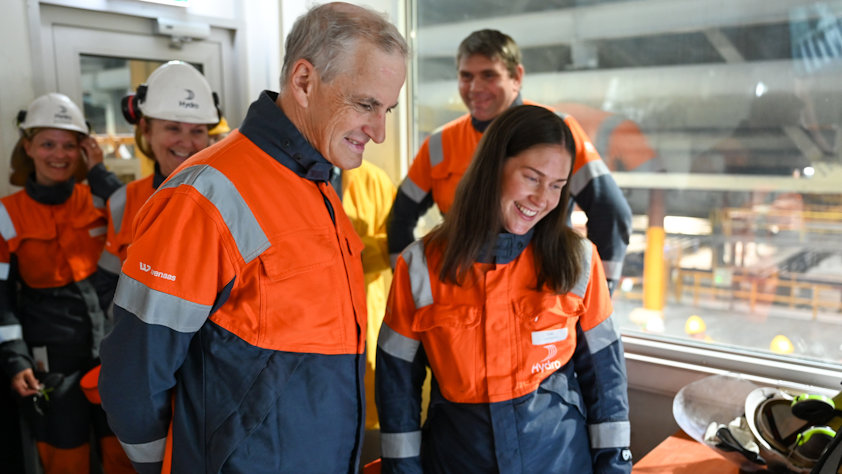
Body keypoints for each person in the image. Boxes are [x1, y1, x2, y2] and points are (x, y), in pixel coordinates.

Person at [97, 3, 408, 473]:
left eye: (387, 109)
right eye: (366, 105)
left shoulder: (319, 185)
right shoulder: (205, 195)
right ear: (304, 81)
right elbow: (133, 380)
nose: (380, 132)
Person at [376, 105, 631, 473]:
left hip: (560, 462)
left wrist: (615, 468)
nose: (543, 199)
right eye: (531, 178)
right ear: (493, 168)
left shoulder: (580, 259)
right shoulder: (419, 266)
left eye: (557, 186)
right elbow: (396, 388)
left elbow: (607, 383)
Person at [388, 29, 632, 293]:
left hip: (540, 292)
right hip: (460, 293)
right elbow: (400, 218)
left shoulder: (558, 133)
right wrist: (414, 286)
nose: (475, 88)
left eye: (489, 75)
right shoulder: (439, 144)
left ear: (517, 77)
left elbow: (610, 211)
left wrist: (598, 290)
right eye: (466, 76)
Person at [0, 93, 133, 473]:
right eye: (47, 144)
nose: (59, 155)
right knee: (65, 460)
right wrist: (15, 358)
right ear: (28, 147)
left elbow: (139, 219)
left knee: (125, 456)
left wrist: (100, 172)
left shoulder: (99, 201)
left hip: (112, 356)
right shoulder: (6, 215)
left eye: (70, 145)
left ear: (84, 149)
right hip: (52, 366)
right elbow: (1, 298)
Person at [96, 60, 220, 302]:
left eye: (197, 131)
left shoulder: (230, 199)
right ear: (146, 129)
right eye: (173, 128)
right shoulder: (123, 201)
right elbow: (109, 285)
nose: (187, 143)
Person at [331, 160, 396, 431]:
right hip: (308, 324)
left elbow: (397, 241)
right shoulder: (286, 177)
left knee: (364, 416)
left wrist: (340, 252)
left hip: (365, 315)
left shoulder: (375, 181)